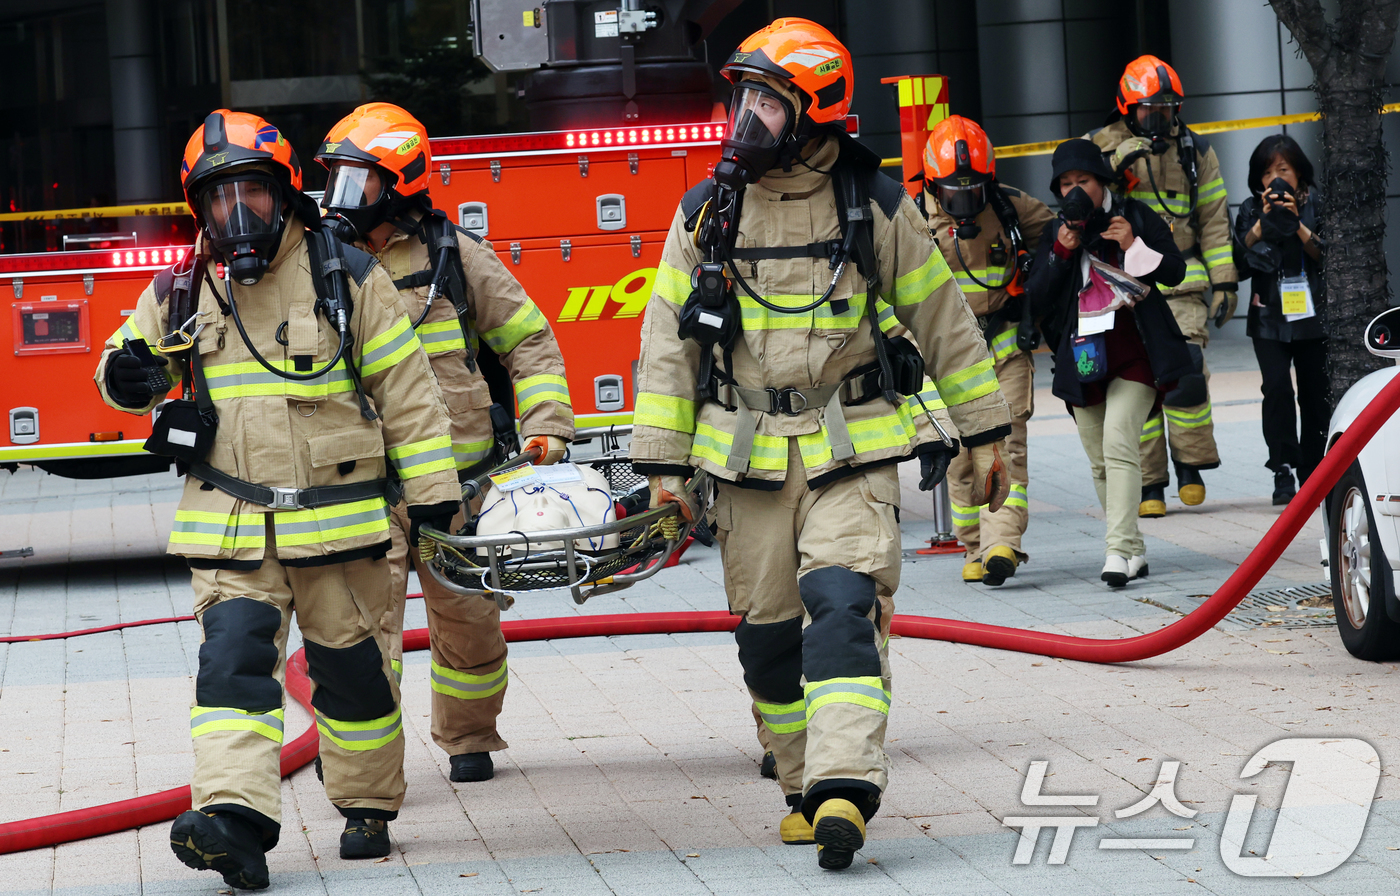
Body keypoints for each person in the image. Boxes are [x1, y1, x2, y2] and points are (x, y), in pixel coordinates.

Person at [631, 18, 1011, 870]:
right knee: (768, 641)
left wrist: (988, 437)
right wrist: (659, 469)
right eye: (745, 98)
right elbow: (668, 345)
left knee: (843, 608)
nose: (746, 116)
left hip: (852, 451)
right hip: (746, 464)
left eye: (768, 100)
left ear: (816, 112)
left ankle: (846, 785)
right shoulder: (705, 213)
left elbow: (945, 324)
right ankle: (805, 782)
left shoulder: (873, 206)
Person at [95, 110, 462, 889]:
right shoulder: (183, 286)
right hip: (230, 529)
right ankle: (235, 823)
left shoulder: (349, 277)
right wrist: (125, 378)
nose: (237, 216)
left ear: (286, 192)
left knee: (354, 676)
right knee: (231, 671)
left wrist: (432, 499)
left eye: (252, 195)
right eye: (220, 199)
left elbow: (411, 398)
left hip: (342, 529)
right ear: (199, 208)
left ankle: (365, 805)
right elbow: (127, 364)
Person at [315, 103, 574, 785]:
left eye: (356, 179)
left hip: (461, 485)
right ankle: (359, 764)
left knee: (469, 626)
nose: (340, 196)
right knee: (359, 638)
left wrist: (546, 421)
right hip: (360, 490)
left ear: (398, 181)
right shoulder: (318, 261)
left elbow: (529, 341)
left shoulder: (454, 256)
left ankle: (469, 738)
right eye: (335, 178)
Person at [1026, 139, 1193, 587]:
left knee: (1119, 442)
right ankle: (1134, 549)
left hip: (1136, 352)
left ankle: (1117, 549)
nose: (1074, 191)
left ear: (1103, 183)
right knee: (1099, 460)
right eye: (1066, 184)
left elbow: (1176, 272)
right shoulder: (1056, 230)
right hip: (1082, 357)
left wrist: (1134, 245)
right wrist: (1061, 252)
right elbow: (1036, 298)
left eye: (1083, 181)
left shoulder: (1135, 216)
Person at [1089, 56, 1237, 516]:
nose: (1161, 120)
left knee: (1188, 377)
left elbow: (1213, 220)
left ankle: (1190, 466)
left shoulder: (1196, 152)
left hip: (1183, 283)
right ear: (1127, 109)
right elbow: (1082, 199)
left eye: (1168, 110)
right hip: (1126, 287)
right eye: (1151, 111)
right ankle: (1151, 482)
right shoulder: (1101, 145)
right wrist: (1116, 164)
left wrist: (1226, 281)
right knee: (1138, 380)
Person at [921, 115, 1054, 586]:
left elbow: (1056, 237)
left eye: (973, 192)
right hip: (944, 361)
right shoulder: (911, 223)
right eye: (953, 195)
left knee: (1006, 446)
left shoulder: (1010, 209)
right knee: (957, 457)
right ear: (933, 187)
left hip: (1003, 349)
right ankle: (974, 546)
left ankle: (1003, 543)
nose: (964, 205)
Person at [1233, 134, 1326, 504]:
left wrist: (1297, 223)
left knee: (1315, 395)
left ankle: (1316, 470)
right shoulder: (1249, 209)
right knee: (1276, 389)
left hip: (1313, 314)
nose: (1276, 179)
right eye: (1268, 172)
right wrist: (1262, 223)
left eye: (1283, 169)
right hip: (1268, 314)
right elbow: (1237, 263)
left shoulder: (1318, 204)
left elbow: (1328, 256)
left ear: (1299, 173)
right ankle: (1283, 467)